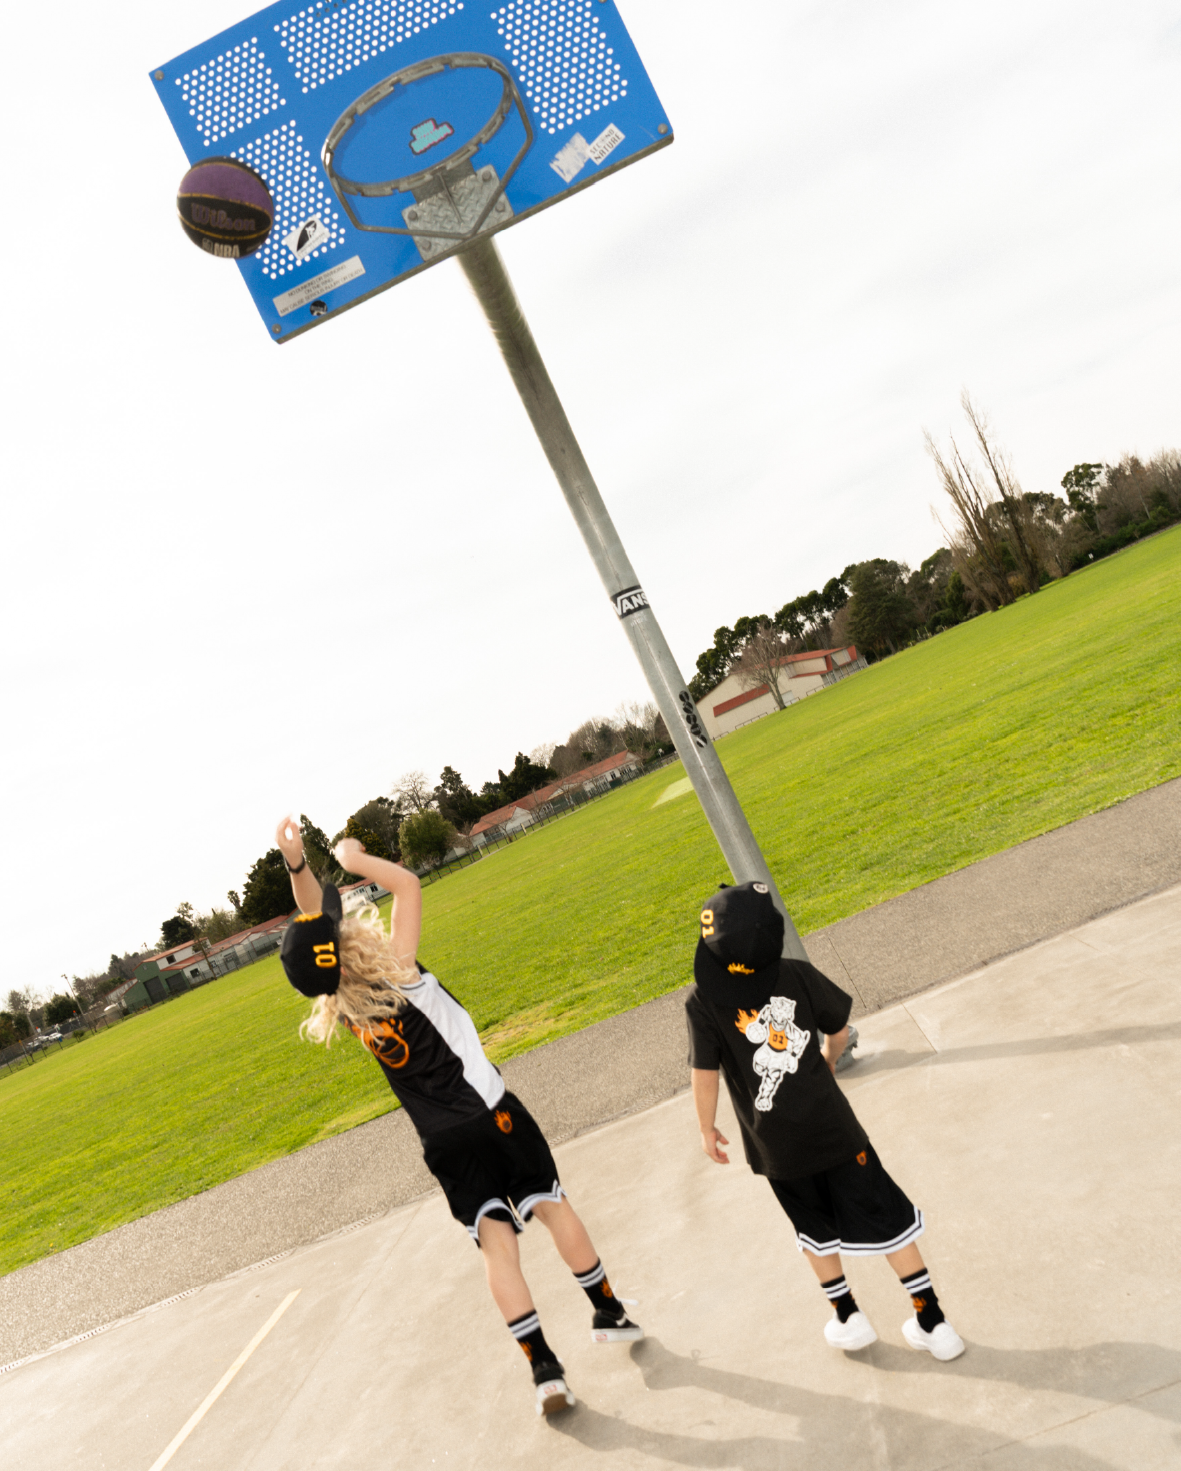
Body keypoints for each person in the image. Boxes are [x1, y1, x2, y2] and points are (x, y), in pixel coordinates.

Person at [273, 817, 642, 1416]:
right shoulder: (399, 969)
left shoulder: (345, 1005)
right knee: (551, 1204)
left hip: (443, 1143)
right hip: (494, 1113)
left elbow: (318, 927)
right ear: (344, 938)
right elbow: (409, 887)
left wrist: (298, 864)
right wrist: (355, 858)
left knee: (498, 1248)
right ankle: (608, 1310)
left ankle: (545, 1370)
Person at [686, 880, 965, 1361]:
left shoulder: (701, 1001)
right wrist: (829, 1058)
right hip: (835, 1131)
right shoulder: (795, 974)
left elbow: (704, 1071)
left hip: (777, 1148)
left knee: (812, 1227)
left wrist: (706, 1128)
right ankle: (933, 1322)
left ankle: (848, 1317)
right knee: (886, 1217)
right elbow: (837, 1031)